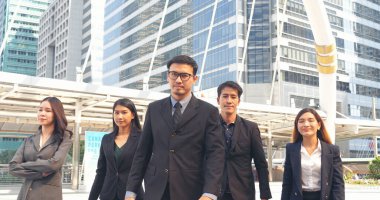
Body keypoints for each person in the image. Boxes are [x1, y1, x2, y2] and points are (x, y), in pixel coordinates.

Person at [125, 55, 225, 200]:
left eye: (184, 75)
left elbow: (216, 154)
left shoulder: (208, 112)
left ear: (194, 79)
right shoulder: (154, 109)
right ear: (168, 77)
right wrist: (131, 191)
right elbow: (142, 152)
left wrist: (209, 193)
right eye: (174, 74)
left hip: (192, 190)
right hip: (156, 190)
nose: (178, 80)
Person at [9, 97, 73, 200]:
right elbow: (12, 167)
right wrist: (40, 173)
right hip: (25, 195)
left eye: (48, 110)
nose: (42, 113)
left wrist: (25, 165)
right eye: (40, 110)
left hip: (48, 195)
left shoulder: (64, 138)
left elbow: (54, 164)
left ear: (56, 114)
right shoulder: (28, 140)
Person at [217, 81, 272, 200]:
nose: (229, 101)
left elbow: (261, 164)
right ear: (218, 100)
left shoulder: (251, 128)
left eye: (233, 97)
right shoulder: (209, 127)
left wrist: (264, 195)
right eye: (225, 96)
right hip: (213, 193)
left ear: (238, 101)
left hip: (243, 192)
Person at [281, 108, 345, 200]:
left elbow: (338, 183)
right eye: (301, 121)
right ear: (297, 126)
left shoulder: (332, 150)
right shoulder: (291, 149)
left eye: (310, 120)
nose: (306, 124)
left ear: (319, 125)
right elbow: (287, 182)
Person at [89, 98, 144, 200]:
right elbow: (101, 172)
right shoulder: (106, 139)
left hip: (132, 196)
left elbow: (147, 170)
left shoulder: (142, 138)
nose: (119, 116)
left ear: (132, 115)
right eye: (116, 113)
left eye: (124, 112)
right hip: (108, 194)